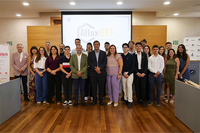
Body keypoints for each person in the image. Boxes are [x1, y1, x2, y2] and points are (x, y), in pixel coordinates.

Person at [88, 40, 107, 106]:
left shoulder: (103, 53)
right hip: (93, 73)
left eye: (97, 44)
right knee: (93, 87)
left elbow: (105, 62)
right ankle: (94, 100)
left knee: (101, 87)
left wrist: (99, 68)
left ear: (99, 45)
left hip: (101, 73)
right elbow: (89, 62)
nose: (96, 45)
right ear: (93, 45)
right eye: (95, 44)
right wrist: (95, 68)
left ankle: (101, 100)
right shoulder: (90, 53)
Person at [134, 42, 148, 107]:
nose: (138, 47)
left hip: (143, 73)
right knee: (137, 87)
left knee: (143, 87)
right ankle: (138, 99)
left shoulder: (144, 55)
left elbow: (146, 65)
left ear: (141, 47)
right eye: (137, 46)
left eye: (140, 46)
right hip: (136, 73)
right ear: (135, 47)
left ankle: (143, 100)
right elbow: (133, 66)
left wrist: (144, 73)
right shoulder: (133, 55)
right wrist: (137, 72)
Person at [121, 43, 135, 107]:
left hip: (130, 74)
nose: (125, 48)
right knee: (124, 87)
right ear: (122, 48)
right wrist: (123, 72)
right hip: (123, 73)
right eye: (124, 47)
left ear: (128, 48)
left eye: (126, 47)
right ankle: (125, 99)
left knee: (129, 87)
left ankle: (130, 100)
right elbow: (120, 66)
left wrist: (128, 74)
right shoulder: (121, 56)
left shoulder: (131, 56)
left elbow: (133, 66)